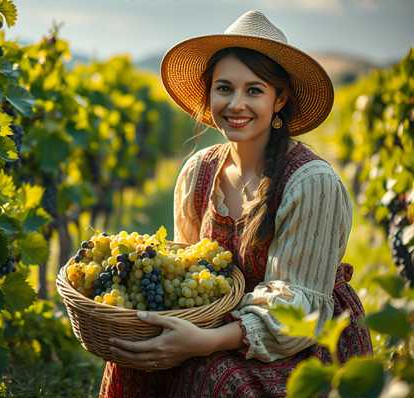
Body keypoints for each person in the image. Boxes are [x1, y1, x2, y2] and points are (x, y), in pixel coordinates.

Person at [99, 10, 373, 398]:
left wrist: (204, 342)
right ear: (209, 93)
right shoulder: (199, 172)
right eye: (224, 88)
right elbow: (188, 275)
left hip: (297, 347)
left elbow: (298, 313)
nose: (236, 103)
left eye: (254, 90)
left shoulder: (311, 183)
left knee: (212, 375)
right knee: (135, 360)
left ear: (280, 99)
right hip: (213, 328)